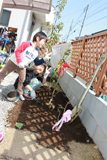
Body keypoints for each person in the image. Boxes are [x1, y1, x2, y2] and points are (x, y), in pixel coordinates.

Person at [0, 31, 50, 100]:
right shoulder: (27, 44)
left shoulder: (36, 52)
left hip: (22, 66)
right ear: (38, 38)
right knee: (3, 73)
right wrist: (19, 61)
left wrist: (44, 59)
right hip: (14, 62)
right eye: (44, 41)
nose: (44, 44)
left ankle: (19, 93)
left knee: (22, 79)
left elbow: (37, 62)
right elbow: (18, 51)